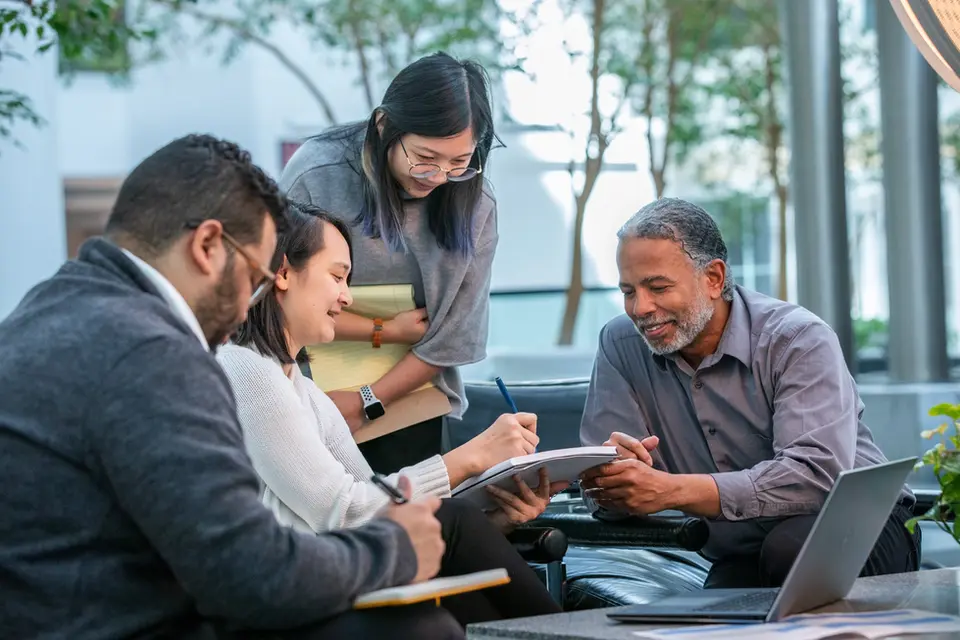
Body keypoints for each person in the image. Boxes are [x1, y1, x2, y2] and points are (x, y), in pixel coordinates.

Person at [0, 134, 463, 640]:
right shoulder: (152, 351)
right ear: (206, 247)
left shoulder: (45, 312)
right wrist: (393, 549)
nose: (250, 305)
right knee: (419, 629)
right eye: (257, 279)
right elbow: (252, 574)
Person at [216, 201, 564, 626]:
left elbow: (371, 501)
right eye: (337, 276)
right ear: (284, 272)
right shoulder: (244, 368)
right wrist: (468, 458)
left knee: (455, 583)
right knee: (448, 525)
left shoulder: (302, 390)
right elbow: (346, 513)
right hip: (282, 593)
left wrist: (495, 522)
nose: (347, 296)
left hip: (332, 572)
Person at [578, 198, 921, 590]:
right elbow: (602, 480)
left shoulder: (797, 339)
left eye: (658, 287)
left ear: (713, 278)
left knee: (788, 551)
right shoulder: (620, 344)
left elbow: (814, 476)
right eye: (628, 291)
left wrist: (672, 490)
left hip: (859, 524)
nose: (640, 308)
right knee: (707, 616)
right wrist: (613, 479)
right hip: (744, 546)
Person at [279, 51, 500, 474]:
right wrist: (383, 330)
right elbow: (275, 297)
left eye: (459, 162)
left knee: (408, 522)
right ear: (384, 127)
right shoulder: (317, 175)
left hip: (409, 400)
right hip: (304, 390)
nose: (438, 177)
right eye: (425, 157)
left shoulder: (477, 203)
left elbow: (453, 335)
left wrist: (369, 400)